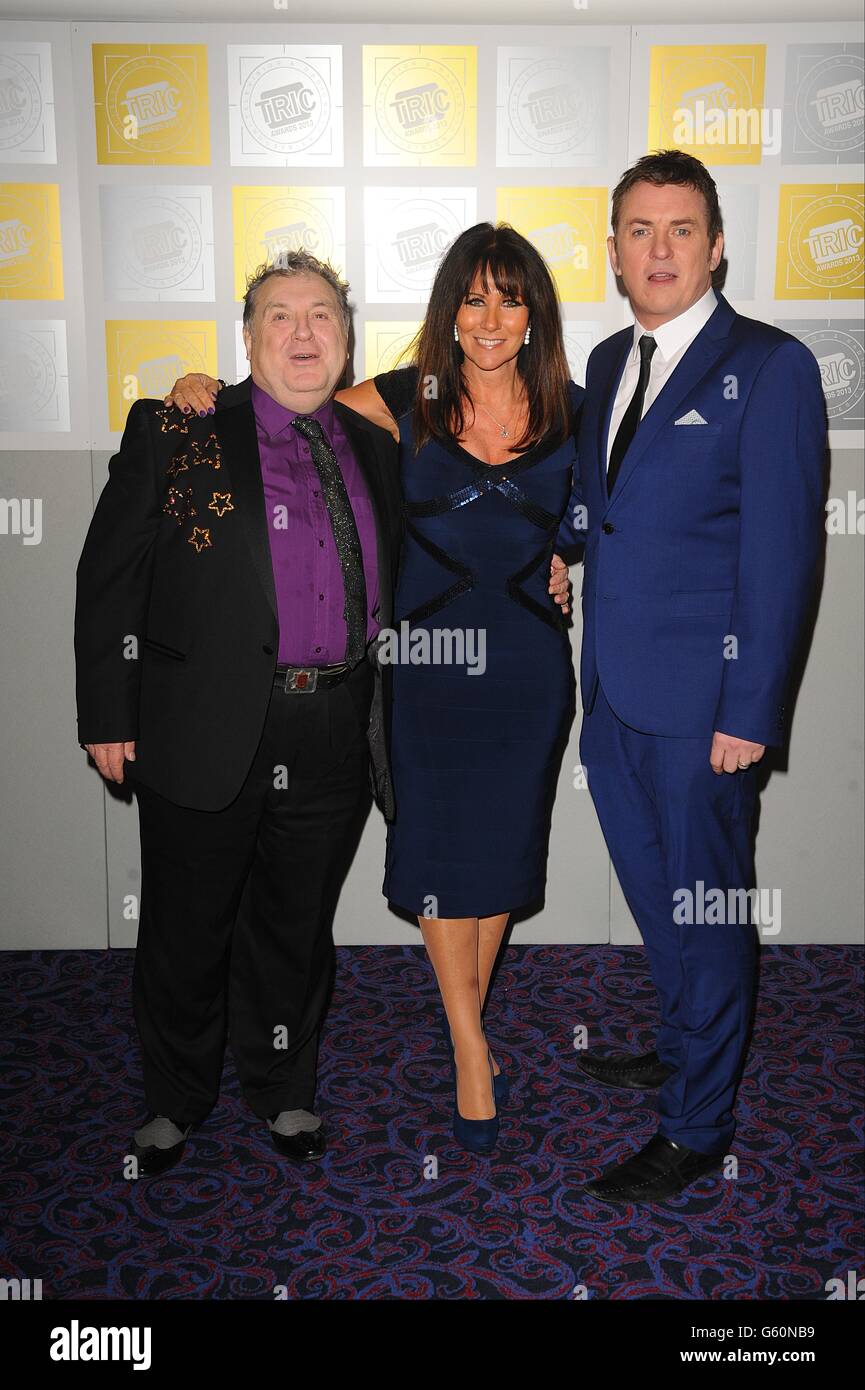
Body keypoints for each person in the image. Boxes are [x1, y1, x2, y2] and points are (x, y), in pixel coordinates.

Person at [166, 222, 582, 1154]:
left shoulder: (572, 410)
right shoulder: (403, 398)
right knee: (439, 855)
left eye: (507, 298)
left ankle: (468, 1030)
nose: (488, 318)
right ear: (449, 310)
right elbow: (282, 401)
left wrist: (566, 553)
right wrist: (201, 392)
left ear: (532, 314)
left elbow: (606, 516)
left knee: (503, 856)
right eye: (471, 298)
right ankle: (471, 1047)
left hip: (524, 669)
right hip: (427, 674)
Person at [75, 252, 404, 1177]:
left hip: (333, 722)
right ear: (248, 338)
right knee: (185, 922)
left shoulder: (377, 446)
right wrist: (108, 709)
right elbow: (109, 582)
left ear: (346, 337)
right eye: (279, 317)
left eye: (322, 317)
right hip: (203, 720)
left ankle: (281, 1085)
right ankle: (175, 1099)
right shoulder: (178, 430)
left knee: (294, 924)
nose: (303, 334)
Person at [555, 150, 827, 1204]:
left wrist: (749, 709)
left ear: (716, 246)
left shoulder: (771, 366)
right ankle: (682, 1047)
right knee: (663, 903)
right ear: (614, 249)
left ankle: (699, 1127)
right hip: (615, 698)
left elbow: (781, 555)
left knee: (708, 912)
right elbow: (601, 509)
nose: (657, 249)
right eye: (637, 229)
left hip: (706, 710)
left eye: (679, 229)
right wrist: (557, 547)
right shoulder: (606, 365)